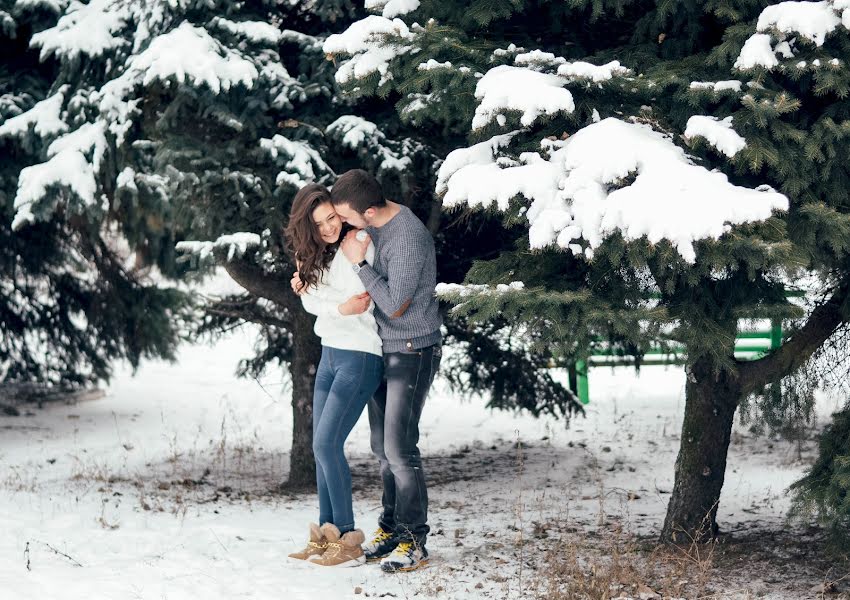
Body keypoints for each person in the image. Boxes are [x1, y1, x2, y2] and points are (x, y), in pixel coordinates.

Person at [330, 169, 443, 573]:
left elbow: (396, 304)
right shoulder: (374, 227)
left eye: (348, 217)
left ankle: (415, 540)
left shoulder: (407, 236)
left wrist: (360, 263)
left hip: (412, 349)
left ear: (372, 211)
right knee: (382, 449)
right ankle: (392, 528)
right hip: (384, 348)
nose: (345, 225)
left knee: (399, 448)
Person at [284, 182, 383, 568]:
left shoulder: (358, 242)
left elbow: (357, 300)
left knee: (327, 445)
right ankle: (328, 535)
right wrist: (335, 306)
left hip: (359, 357)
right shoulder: (318, 255)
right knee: (318, 448)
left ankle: (348, 539)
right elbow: (313, 302)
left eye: (331, 218)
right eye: (319, 223)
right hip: (330, 355)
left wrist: (334, 305)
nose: (328, 228)